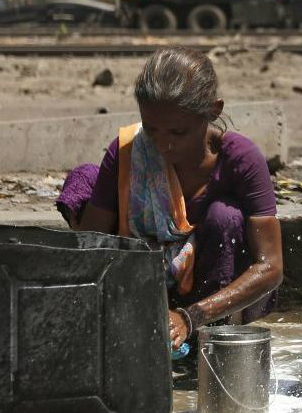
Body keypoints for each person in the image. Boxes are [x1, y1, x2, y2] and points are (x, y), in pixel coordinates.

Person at [60, 46, 283, 365]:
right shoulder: (127, 154)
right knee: (85, 180)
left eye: (179, 132)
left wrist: (189, 318)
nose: (163, 144)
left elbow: (271, 267)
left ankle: (215, 339)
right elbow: (93, 250)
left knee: (225, 217)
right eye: (151, 130)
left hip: (214, 299)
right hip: (144, 292)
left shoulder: (239, 159)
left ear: (213, 111)